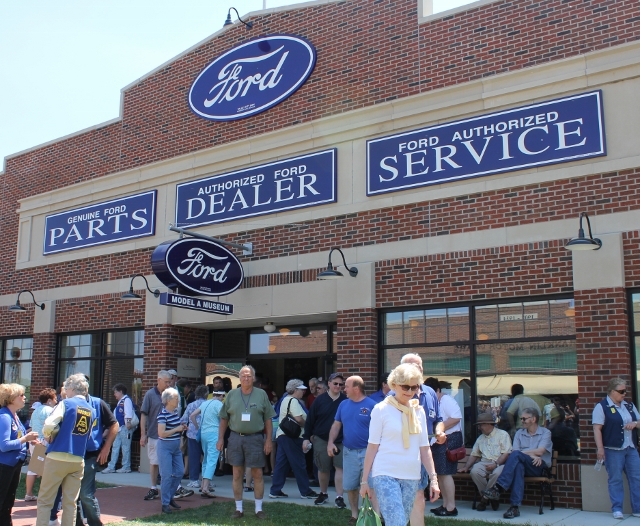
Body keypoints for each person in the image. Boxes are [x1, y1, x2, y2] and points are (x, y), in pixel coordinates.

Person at [360, 364, 440, 526]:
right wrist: (364, 481)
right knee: (396, 522)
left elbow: (424, 448)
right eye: (405, 387)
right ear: (394, 385)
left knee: (401, 522)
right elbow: (372, 447)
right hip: (385, 474)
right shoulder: (381, 409)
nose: (409, 391)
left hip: (411, 475)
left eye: (414, 387)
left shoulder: (419, 411)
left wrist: (433, 480)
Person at [216, 365, 275, 520]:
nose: (246, 378)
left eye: (249, 376)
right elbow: (224, 418)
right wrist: (220, 438)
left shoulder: (261, 394)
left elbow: (268, 419)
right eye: (243, 375)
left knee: (257, 473)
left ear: (253, 378)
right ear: (239, 377)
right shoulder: (231, 395)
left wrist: (268, 440)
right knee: (237, 473)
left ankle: (258, 509)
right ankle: (239, 509)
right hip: (235, 437)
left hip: (255, 438)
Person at [36, 374, 94, 526]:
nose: (65, 391)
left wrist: (48, 436)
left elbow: (49, 424)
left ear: (72, 388)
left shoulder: (66, 403)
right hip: (78, 459)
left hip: (57, 456)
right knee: (71, 503)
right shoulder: (91, 409)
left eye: (66, 388)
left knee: (45, 500)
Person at [395, 353, 445, 526]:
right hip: (399, 455)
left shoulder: (430, 392)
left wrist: (439, 432)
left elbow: (438, 420)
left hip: (423, 454)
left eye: (420, 366)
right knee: (398, 499)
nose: (419, 369)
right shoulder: (394, 397)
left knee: (418, 497)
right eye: (414, 366)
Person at [482, 407, 552, 519]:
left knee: (516, 456)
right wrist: (531, 454)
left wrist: (524, 454)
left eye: (524, 419)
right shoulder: (520, 433)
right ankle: (514, 508)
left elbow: (540, 451)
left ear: (533, 419)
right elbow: (515, 451)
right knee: (518, 466)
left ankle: (498, 488)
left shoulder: (545, 432)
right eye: (521, 418)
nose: (522, 421)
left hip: (539, 467)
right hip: (524, 465)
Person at [327, 375, 378, 524]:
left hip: (368, 452)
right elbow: (336, 425)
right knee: (350, 486)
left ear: (356, 388)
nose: (344, 389)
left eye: (347, 386)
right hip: (349, 452)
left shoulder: (372, 406)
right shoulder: (343, 404)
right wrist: (330, 442)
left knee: (372, 486)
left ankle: (374, 515)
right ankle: (355, 515)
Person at [592, 377, 640, 520]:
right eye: (621, 391)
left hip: (630, 447)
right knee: (615, 479)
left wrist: (634, 423)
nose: (624, 394)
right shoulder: (602, 406)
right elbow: (597, 429)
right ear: (612, 391)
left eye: (625, 391)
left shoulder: (629, 406)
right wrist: (600, 448)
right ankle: (617, 508)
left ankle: (637, 508)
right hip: (612, 448)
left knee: (636, 478)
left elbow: (639, 421)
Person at [141, 371, 193, 501]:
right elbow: (144, 414)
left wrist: (179, 426)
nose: (169, 384)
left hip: (172, 436)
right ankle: (154, 488)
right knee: (154, 462)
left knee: (173, 463)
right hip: (155, 434)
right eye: (166, 381)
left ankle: (176, 488)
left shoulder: (172, 394)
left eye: (170, 381)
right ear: (158, 380)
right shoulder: (150, 394)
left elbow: (175, 413)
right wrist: (143, 434)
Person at [76, 379, 119, 526]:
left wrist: (106, 447)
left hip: (90, 455)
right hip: (70, 455)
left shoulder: (98, 403)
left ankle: (95, 523)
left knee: (85, 494)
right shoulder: (67, 404)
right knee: (72, 495)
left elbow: (114, 424)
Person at [302, 372, 347, 508]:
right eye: (335, 384)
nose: (338, 386)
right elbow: (310, 421)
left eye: (340, 384)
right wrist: (306, 438)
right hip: (321, 439)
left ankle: (339, 497)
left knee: (340, 468)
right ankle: (323, 493)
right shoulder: (319, 400)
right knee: (323, 468)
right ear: (329, 384)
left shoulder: (345, 401)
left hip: (340, 440)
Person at [269, 379, 318, 499]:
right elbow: (299, 419)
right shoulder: (294, 401)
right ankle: (305, 491)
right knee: (299, 463)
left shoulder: (285, 399)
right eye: (301, 389)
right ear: (295, 390)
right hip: (292, 437)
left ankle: (275, 490)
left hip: (283, 436)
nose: (303, 391)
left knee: (281, 464)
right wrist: (308, 427)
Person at [0, 383, 39, 524]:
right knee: (3, 501)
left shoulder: (14, 415)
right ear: (11, 398)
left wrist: (30, 441)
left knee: (8, 501)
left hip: (13, 464)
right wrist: (25, 439)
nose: (24, 397)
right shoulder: (4, 417)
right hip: (4, 465)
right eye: (21, 395)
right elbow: (4, 446)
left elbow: (17, 438)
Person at [424, 377, 463, 517]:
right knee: (440, 473)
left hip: (450, 439)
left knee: (446, 473)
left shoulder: (447, 400)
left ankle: (451, 507)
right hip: (439, 440)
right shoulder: (435, 402)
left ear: (438, 390)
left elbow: (456, 417)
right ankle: (445, 504)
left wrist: (438, 430)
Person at [457, 413, 512, 512]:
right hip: (484, 462)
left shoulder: (503, 435)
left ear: (488, 424)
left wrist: (495, 464)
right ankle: (492, 497)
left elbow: (506, 454)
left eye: (480, 425)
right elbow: (474, 454)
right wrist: (466, 467)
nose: (479, 428)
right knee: (475, 471)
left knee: (497, 473)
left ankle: (484, 500)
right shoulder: (480, 438)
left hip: (500, 463)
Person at [157, 387, 186, 514]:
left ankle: (170, 497)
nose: (178, 400)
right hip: (165, 447)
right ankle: (165, 503)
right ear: (168, 400)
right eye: (176, 398)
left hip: (175, 448)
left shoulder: (175, 413)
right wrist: (177, 429)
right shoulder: (162, 415)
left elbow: (176, 428)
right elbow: (161, 433)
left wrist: (182, 428)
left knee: (180, 472)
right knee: (166, 475)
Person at [25, 388, 57, 501]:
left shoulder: (36, 411)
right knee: (46, 469)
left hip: (33, 441)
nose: (56, 401)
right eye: (55, 398)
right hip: (45, 441)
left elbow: (32, 426)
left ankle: (28, 493)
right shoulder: (50, 410)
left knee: (33, 467)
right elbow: (52, 427)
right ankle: (45, 496)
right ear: (49, 400)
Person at [191, 390, 224, 497]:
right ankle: (205, 487)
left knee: (206, 459)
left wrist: (197, 427)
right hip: (214, 433)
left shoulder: (205, 403)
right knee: (212, 459)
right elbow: (223, 418)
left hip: (204, 433)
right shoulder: (219, 404)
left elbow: (192, 415)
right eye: (222, 396)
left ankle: (203, 485)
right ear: (221, 396)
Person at [180, 385, 208, 488]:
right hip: (207, 433)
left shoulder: (191, 405)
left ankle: (194, 480)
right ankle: (207, 480)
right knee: (207, 457)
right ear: (206, 394)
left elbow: (183, 419)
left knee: (194, 457)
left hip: (192, 434)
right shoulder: (208, 404)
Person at [103, 384, 135, 474]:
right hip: (119, 428)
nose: (114, 394)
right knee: (115, 446)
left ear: (121, 391)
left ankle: (126, 466)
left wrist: (128, 422)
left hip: (125, 427)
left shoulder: (126, 400)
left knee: (125, 447)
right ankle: (111, 466)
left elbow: (128, 411)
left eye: (115, 392)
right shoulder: (120, 401)